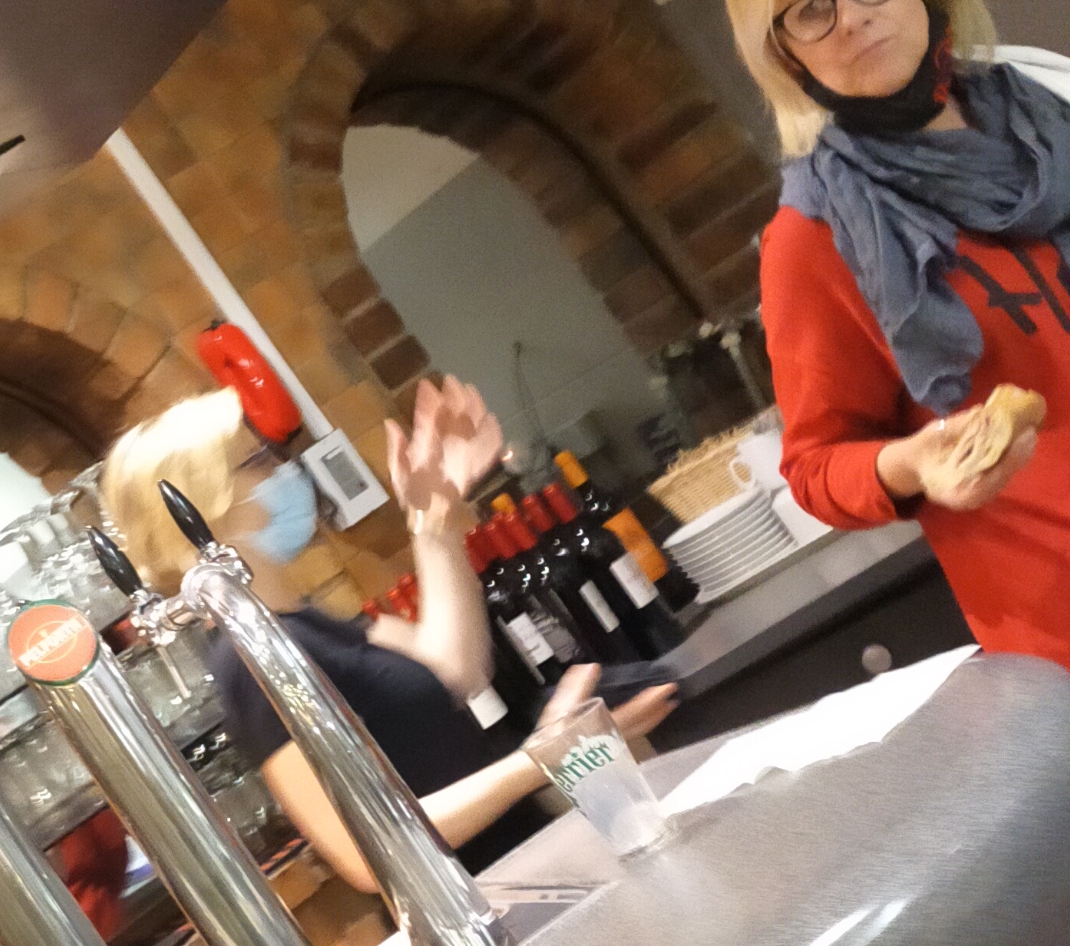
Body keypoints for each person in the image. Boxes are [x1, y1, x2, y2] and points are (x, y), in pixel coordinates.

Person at [99, 380, 675, 910]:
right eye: (260, 460)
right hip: (480, 913)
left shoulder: (300, 622)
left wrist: (433, 516)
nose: (285, 469)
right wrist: (544, 759)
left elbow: (454, 669)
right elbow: (364, 855)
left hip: (529, 875)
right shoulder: (249, 660)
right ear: (206, 510)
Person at [723, 0, 1070, 677]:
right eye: (809, 10)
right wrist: (912, 463)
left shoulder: (1055, 104)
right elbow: (815, 466)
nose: (851, 15)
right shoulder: (815, 237)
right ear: (785, 55)